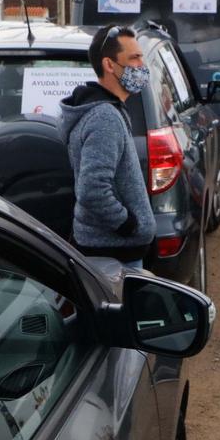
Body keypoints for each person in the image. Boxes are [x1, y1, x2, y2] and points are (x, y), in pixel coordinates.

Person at [58, 24, 156, 265]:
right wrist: (128, 225)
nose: (141, 66)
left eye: (141, 57)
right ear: (109, 65)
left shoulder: (107, 111)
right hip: (112, 254)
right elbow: (92, 189)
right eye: (134, 58)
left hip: (110, 250)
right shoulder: (104, 117)